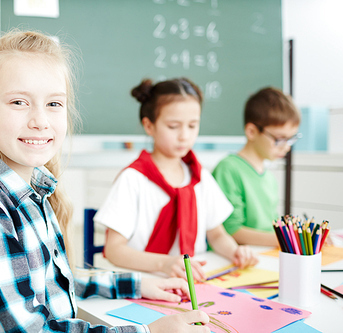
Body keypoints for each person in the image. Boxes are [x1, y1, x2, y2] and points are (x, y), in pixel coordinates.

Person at [0, 31, 211, 333]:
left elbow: (51, 280)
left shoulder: (29, 190)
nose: (40, 120)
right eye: (19, 102)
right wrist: (151, 331)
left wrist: (139, 283)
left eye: (54, 104)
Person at [94, 78, 258, 282]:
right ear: (149, 125)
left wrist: (235, 252)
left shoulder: (200, 177)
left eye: (192, 125)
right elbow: (114, 250)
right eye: (173, 126)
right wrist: (165, 263)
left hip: (191, 284)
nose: (184, 136)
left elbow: (216, 235)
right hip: (144, 284)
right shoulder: (133, 179)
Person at [212, 87, 302, 247]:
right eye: (280, 139)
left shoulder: (268, 176)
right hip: (240, 258)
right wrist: (284, 241)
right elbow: (231, 230)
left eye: (291, 139)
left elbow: (269, 225)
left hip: (264, 254)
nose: (286, 147)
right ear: (252, 131)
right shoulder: (228, 169)